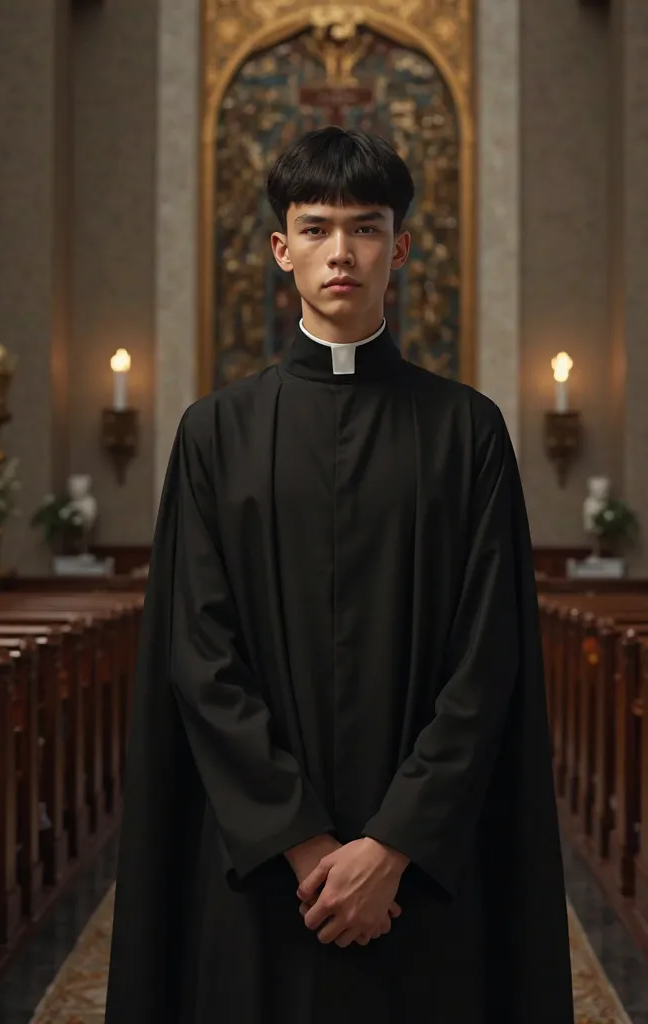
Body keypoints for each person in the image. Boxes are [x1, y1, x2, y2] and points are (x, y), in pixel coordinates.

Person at [104, 126, 573, 1024]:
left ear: (398, 247)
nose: (341, 253)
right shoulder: (215, 434)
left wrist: (390, 846)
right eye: (315, 229)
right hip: (265, 868)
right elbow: (200, 659)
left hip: (425, 869)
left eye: (364, 229)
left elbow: (488, 659)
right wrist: (306, 844)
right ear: (282, 251)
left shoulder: (467, 432)